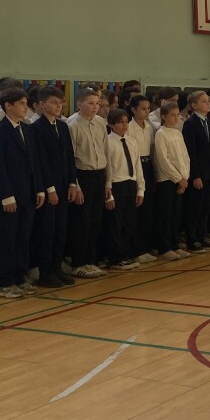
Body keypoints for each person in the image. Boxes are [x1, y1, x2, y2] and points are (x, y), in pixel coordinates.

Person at [0, 88, 45, 298]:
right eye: (21, 103)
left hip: (27, 193)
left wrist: (39, 188)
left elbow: (34, 162)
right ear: (8, 105)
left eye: (26, 103)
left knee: (23, 237)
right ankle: (5, 281)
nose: (25, 107)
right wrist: (6, 195)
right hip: (9, 195)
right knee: (7, 239)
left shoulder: (27, 129)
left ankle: (20, 277)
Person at [30, 86, 78, 288]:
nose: (59, 106)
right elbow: (40, 161)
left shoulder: (63, 126)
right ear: (42, 105)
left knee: (60, 230)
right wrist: (49, 189)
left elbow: (69, 157)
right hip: (49, 187)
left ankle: (57, 268)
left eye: (61, 102)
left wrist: (72, 183)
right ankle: (45, 272)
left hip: (64, 184)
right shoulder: (36, 128)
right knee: (47, 232)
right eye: (54, 102)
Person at [66, 88, 108, 278]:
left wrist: (108, 182)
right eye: (90, 103)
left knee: (95, 221)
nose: (95, 107)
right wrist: (75, 185)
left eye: (97, 103)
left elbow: (105, 151)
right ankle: (78, 262)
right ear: (79, 104)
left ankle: (91, 260)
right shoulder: (72, 125)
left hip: (99, 174)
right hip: (83, 176)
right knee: (81, 222)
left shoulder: (99, 122)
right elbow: (70, 158)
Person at [103, 108, 144, 270]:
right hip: (116, 185)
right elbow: (107, 169)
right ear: (111, 124)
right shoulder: (108, 142)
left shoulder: (131, 141)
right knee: (115, 223)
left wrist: (140, 189)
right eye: (120, 122)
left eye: (126, 121)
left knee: (128, 222)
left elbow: (137, 165)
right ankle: (115, 257)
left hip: (130, 184)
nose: (124, 125)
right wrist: (109, 195)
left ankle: (126, 254)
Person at [182, 90, 210, 252]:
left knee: (206, 207)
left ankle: (202, 235)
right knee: (195, 208)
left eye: (208, 101)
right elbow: (190, 152)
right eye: (204, 101)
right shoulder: (190, 124)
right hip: (198, 173)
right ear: (194, 105)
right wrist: (195, 175)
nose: (208, 104)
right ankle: (192, 239)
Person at [151, 101, 189, 260]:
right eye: (172, 115)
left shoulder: (178, 133)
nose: (175, 118)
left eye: (177, 115)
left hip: (180, 180)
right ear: (163, 116)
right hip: (166, 180)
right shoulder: (161, 133)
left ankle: (174, 244)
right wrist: (178, 178)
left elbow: (185, 157)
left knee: (175, 215)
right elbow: (163, 160)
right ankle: (164, 247)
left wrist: (184, 177)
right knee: (165, 216)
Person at [127, 94, 157, 263]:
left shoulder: (150, 127)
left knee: (148, 209)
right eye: (143, 109)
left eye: (148, 109)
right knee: (136, 209)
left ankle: (146, 246)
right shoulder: (129, 127)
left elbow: (151, 150)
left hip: (147, 165)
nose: (146, 112)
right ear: (133, 109)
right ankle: (135, 248)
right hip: (134, 166)